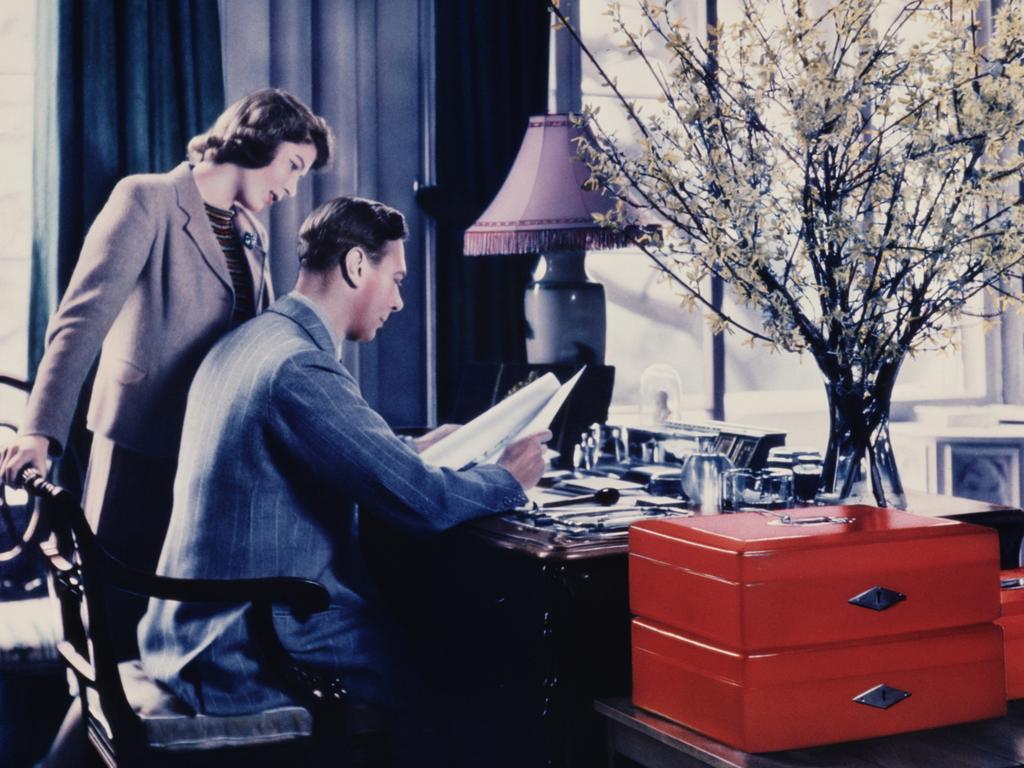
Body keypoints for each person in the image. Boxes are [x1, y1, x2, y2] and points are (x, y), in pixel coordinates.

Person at [139, 196, 549, 764]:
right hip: (248, 643)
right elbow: (423, 503)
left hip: (188, 628)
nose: (400, 300)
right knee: (462, 678)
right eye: (396, 278)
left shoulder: (253, 341)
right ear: (357, 266)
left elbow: (320, 451)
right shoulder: (301, 367)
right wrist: (507, 477)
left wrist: (413, 448)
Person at [0, 88, 333, 659]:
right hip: (138, 444)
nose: (293, 189)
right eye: (294, 166)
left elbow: (259, 345)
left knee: (171, 638)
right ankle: (85, 747)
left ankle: (100, 746)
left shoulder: (250, 232)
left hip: (211, 459)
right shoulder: (147, 199)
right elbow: (81, 319)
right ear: (263, 139)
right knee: (114, 621)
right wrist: (39, 430)